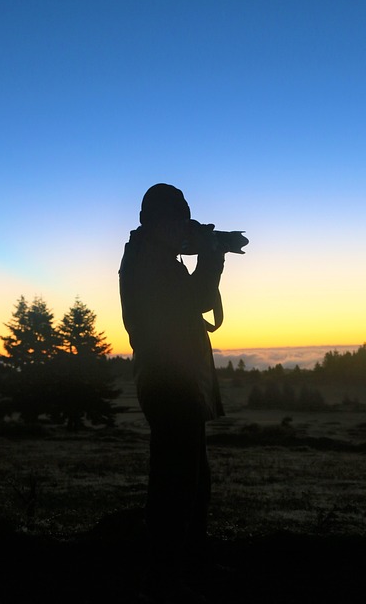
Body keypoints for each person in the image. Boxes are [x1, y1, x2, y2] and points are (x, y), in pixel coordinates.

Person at [119, 184, 226, 603]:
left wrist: (206, 251)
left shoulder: (153, 256)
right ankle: (163, 579)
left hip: (177, 378)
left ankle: (191, 564)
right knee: (174, 484)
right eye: (176, 219)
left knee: (192, 481)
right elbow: (196, 300)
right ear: (154, 221)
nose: (182, 225)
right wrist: (211, 256)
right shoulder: (150, 263)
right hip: (169, 381)